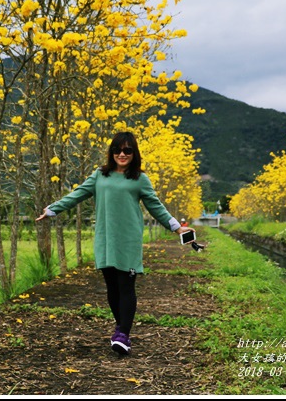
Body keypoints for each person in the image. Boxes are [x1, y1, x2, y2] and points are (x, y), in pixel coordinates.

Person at [35, 131, 187, 356]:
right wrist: (53, 209)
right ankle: (121, 329)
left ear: (134, 153)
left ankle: (123, 334)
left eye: (127, 150)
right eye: (117, 150)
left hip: (128, 240)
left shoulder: (139, 179)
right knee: (112, 288)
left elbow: (155, 206)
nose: (122, 154)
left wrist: (176, 227)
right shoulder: (100, 175)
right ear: (111, 152)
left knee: (126, 285)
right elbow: (77, 194)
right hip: (105, 238)